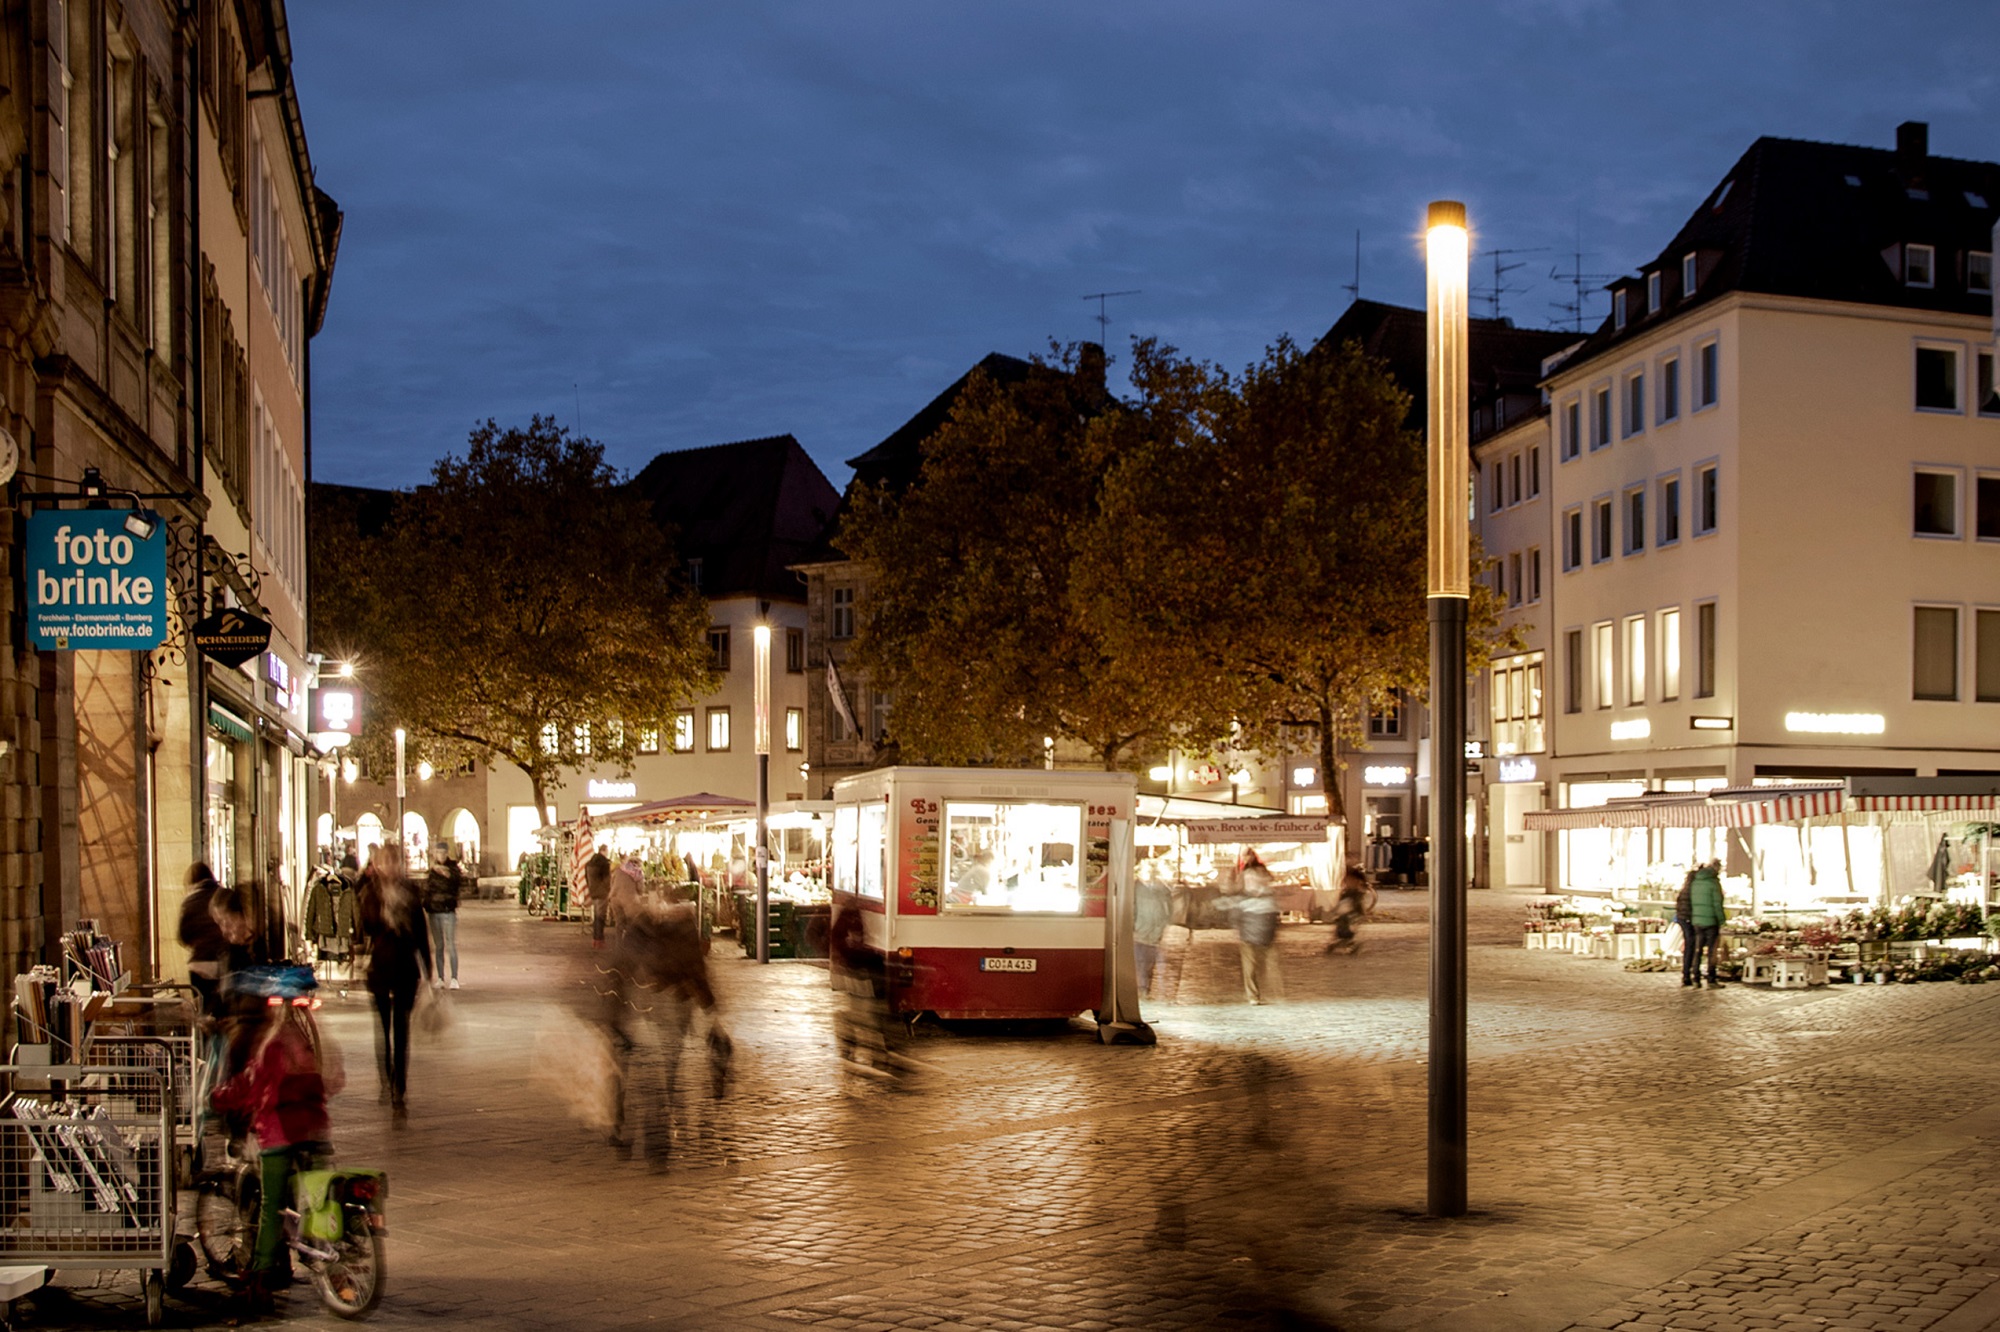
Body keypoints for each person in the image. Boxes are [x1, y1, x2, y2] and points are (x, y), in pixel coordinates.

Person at [208, 965, 342, 1315]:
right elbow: (334, 1080)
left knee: (271, 1208)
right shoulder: (310, 1040)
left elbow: (249, 1087)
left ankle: (260, 1279)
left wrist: (218, 1097)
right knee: (316, 1196)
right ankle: (329, 1257)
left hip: (280, 1133)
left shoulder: (271, 1045)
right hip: (315, 1127)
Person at [358, 845, 432, 1125]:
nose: (389, 867)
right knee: (383, 1029)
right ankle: (385, 1076)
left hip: (405, 969)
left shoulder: (411, 892)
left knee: (401, 1028)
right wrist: (383, 914)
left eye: (393, 862)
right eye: (384, 862)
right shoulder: (369, 892)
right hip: (379, 968)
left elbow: (421, 931)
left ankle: (399, 1084)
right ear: (376, 865)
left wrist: (428, 967)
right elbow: (365, 927)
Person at [1230, 850, 1281, 1005]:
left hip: (1249, 928)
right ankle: (1276, 991)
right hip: (1266, 926)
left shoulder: (1246, 878)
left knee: (1249, 963)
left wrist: (1236, 923)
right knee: (1268, 960)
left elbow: (1237, 895)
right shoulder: (1265, 882)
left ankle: (1253, 995)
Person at [179, 862, 227, 1014]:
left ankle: (207, 1035)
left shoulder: (190, 902)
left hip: (199, 965)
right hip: (223, 963)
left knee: (203, 1011)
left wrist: (198, 942)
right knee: (223, 1009)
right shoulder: (223, 895)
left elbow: (183, 935)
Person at [423, 850, 462, 989]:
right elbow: (428, 890)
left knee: (451, 944)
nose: (441, 855)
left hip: (448, 911)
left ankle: (454, 978)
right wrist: (427, 905)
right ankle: (440, 977)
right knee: (439, 946)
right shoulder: (432, 871)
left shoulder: (453, 869)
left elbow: (455, 885)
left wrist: (446, 875)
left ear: (447, 853)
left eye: (443, 852)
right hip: (434, 911)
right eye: (438, 852)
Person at [1686, 859, 1726, 988]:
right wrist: (1722, 920)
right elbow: (1717, 904)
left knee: (1698, 950)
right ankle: (1711, 979)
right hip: (1710, 921)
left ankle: (1696, 978)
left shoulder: (1695, 882)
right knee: (1711, 952)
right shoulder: (1713, 883)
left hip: (1697, 921)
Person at [1133, 865, 1171, 996]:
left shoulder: (1161, 889)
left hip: (1149, 934)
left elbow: (1167, 912)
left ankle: (1144, 988)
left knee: (1145, 963)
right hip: (1143, 934)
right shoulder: (1137, 888)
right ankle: (1143, 988)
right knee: (1143, 963)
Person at [1325, 865, 1371, 955]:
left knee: (1347, 931)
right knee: (1341, 930)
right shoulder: (1346, 893)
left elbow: (1359, 905)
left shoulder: (1357, 894)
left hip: (1350, 916)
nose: (1349, 882)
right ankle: (1343, 943)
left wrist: (1359, 913)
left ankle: (1347, 943)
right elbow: (1340, 903)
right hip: (1343, 915)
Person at [1674, 866, 1698, 986]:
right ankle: (1688, 973)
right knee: (1691, 945)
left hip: (1683, 919)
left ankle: (1687, 972)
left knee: (1689, 945)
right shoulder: (1693, 890)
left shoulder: (1684, 889)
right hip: (1689, 919)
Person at [585, 849, 613, 948]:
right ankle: (599, 939)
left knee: (596, 916)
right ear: (604, 851)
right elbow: (607, 880)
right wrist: (608, 890)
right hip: (602, 893)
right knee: (601, 917)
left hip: (593, 892)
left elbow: (586, 878)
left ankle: (595, 939)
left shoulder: (589, 863)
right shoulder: (604, 864)